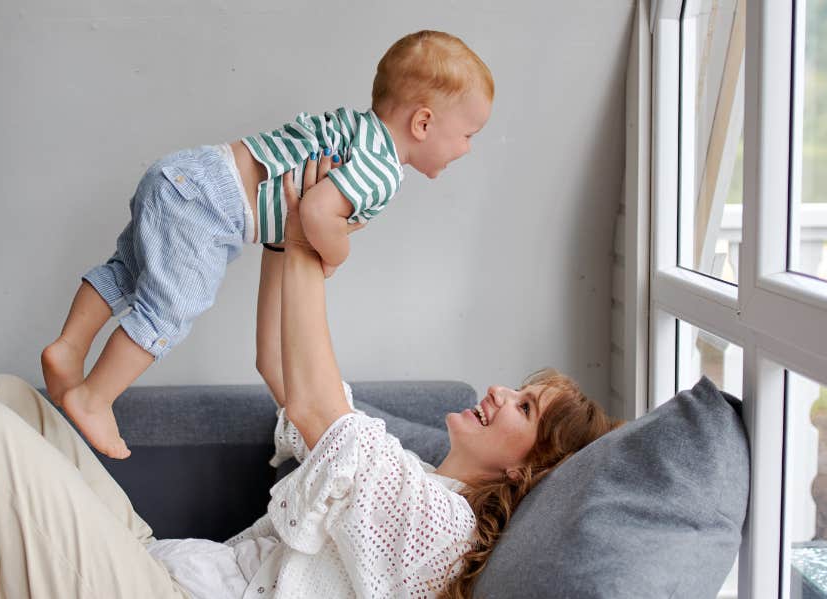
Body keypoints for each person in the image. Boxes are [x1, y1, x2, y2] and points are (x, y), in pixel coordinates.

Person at [0, 156, 618, 599]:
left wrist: (313, 221)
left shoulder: (441, 530)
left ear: (530, 464)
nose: (496, 391)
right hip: (167, 567)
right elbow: (287, 378)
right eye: (517, 385)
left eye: (522, 404)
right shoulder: (409, 473)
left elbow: (326, 407)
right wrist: (278, 223)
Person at [41, 30, 496, 458]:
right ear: (423, 122)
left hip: (188, 173)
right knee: (172, 307)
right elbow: (317, 211)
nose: (467, 149)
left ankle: (69, 346)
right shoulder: (381, 169)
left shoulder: (355, 128)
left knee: (127, 270)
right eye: (467, 135)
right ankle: (96, 397)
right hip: (213, 206)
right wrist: (337, 253)